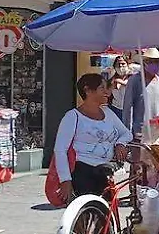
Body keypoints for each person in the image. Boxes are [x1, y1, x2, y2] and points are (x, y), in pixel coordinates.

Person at [54, 73, 131, 203]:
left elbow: (126, 133)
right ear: (88, 90)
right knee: (85, 213)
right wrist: (65, 180)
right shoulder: (73, 116)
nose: (107, 92)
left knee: (106, 215)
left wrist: (120, 143)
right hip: (83, 172)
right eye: (102, 88)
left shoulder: (108, 112)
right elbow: (60, 150)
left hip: (105, 171)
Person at [121, 48, 159, 139]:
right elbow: (128, 108)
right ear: (144, 63)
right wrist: (127, 133)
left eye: (157, 62)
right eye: (151, 61)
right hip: (140, 133)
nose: (155, 64)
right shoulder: (134, 81)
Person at [107, 56, 130, 120]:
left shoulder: (133, 78)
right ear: (114, 66)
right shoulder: (111, 80)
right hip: (116, 109)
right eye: (118, 64)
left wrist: (120, 81)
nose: (120, 66)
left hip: (131, 110)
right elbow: (107, 93)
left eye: (123, 64)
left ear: (127, 65)